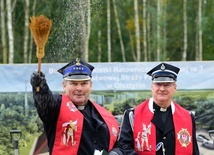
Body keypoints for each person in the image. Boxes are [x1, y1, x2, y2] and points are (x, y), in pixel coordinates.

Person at [30, 58, 119, 155]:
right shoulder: (57, 106)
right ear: (64, 85)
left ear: (91, 85)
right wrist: (41, 87)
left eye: (84, 83)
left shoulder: (102, 114)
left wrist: (116, 152)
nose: (79, 88)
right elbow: (45, 105)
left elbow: (119, 143)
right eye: (73, 83)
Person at [109, 62, 200, 155]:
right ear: (152, 87)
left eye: (167, 84)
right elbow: (124, 146)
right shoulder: (132, 115)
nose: (162, 89)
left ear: (175, 88)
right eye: (158, 84)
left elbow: (194, 150)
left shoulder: (188, 117)